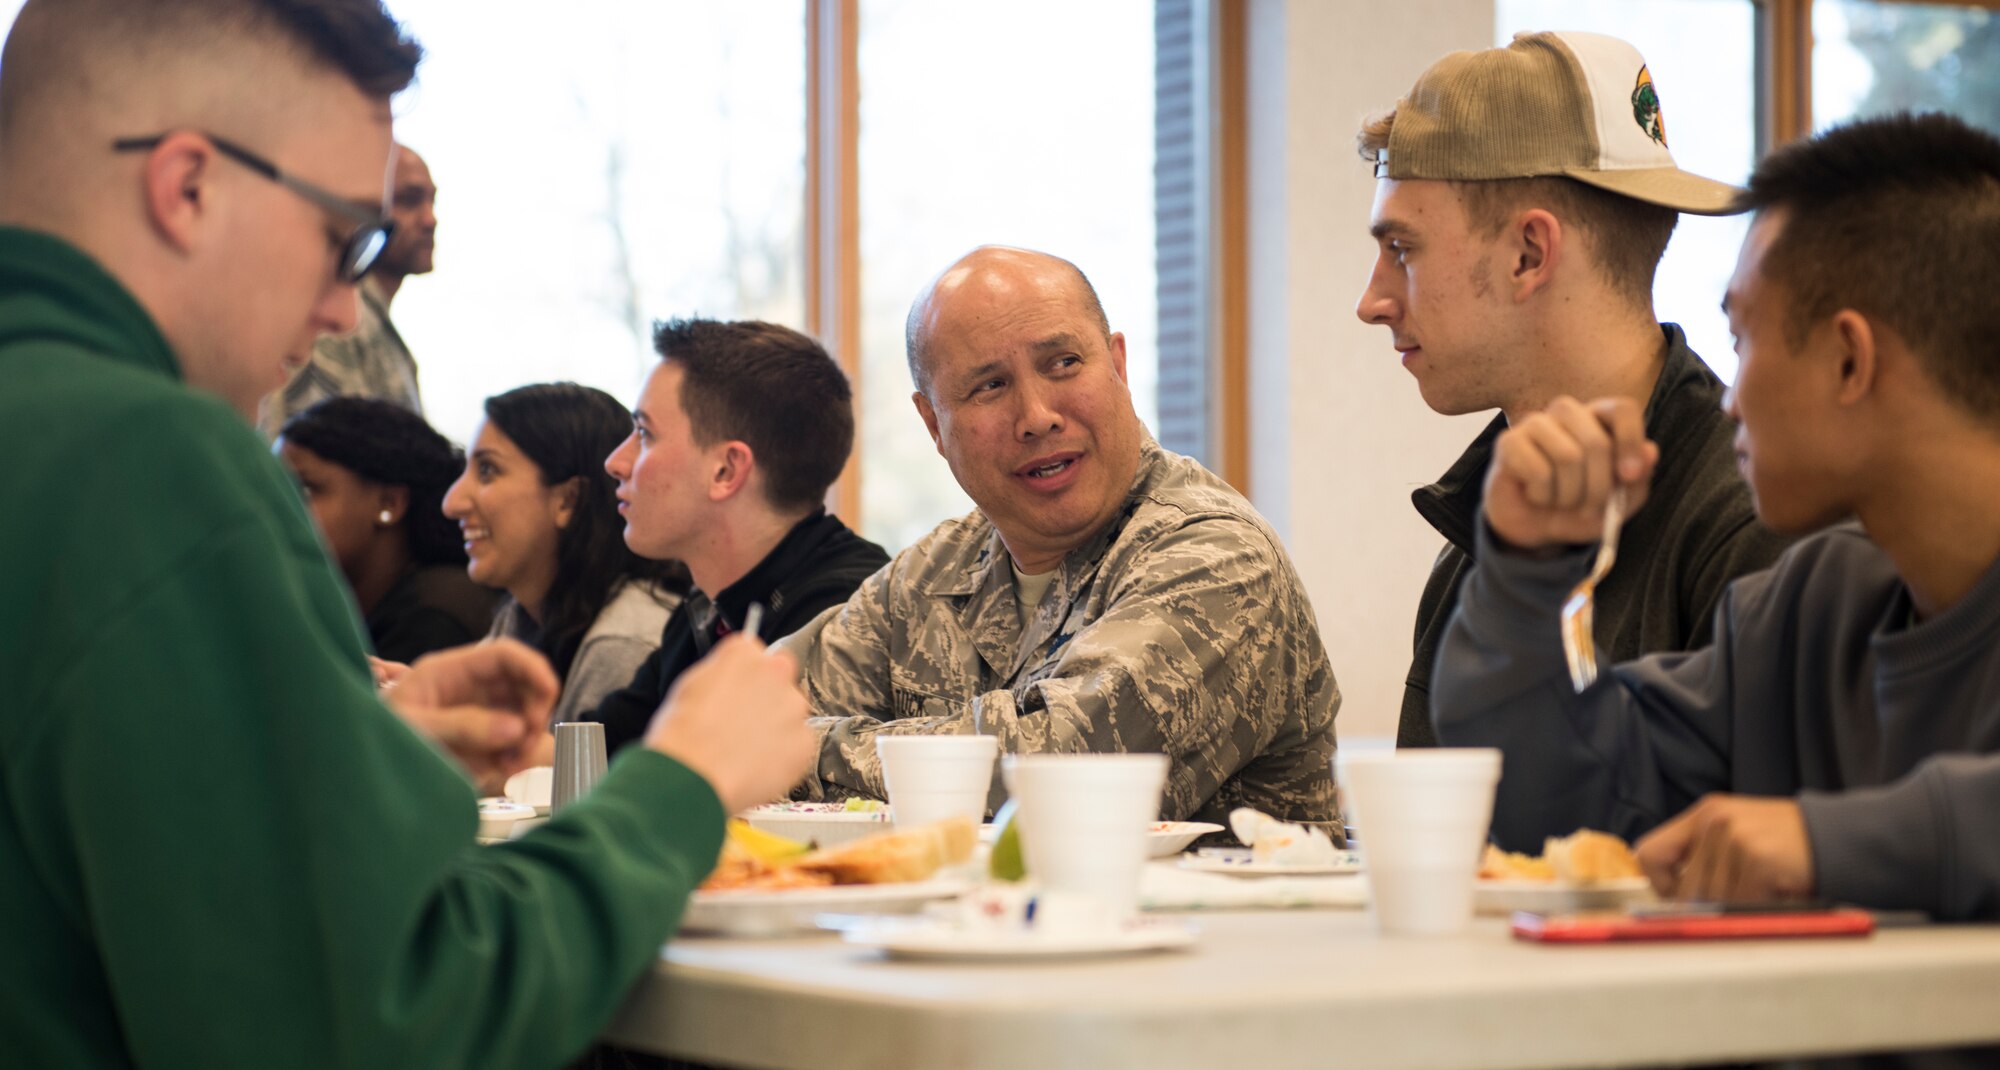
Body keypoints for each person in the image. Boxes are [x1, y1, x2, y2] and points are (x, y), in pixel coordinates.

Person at [0, 2, 813, 1066]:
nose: (344, 308)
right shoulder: (156, 461)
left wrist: (348, 750)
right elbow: (373, 1028)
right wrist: (686, 785)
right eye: (348, 238)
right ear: (188, 185)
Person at [1430, 112, 2000, 938]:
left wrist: (1824, 840)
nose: (1729, 398)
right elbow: (1556, 804)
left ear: (1849, 359)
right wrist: (1523, 570)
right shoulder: (1809, 608)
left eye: (1742, 337)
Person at [786, 246, 1341, 831]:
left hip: (1212, 920)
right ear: (934, 426)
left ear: (1118, 368)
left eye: (1063, 363)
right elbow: (761, 723)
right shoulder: (929, 576)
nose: (1037, 415)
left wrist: (805, 753)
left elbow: (1055, 774)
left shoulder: (1217, 558)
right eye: (990, 386)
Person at [1353, 31, 1793, 747]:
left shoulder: (1750, 531)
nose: (1371, 302)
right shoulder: (1476, 541)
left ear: (1530, 253)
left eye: (1401, 250)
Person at [595, 317, 889, 756]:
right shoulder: (704, 611)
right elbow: (603, 746)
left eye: (644, 434)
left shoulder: (847, 616)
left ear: (726, 471)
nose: (616, 463)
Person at [446, 382, 689, 735]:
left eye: (487, 471)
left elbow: (583, 788)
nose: (452, 502)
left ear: (568, 499)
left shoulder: (623, 642)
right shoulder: (523, 613)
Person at [276, 396, 501, 663]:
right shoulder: (376, 600)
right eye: (274, 488)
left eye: (304, 489)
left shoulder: (434, 617)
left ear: (389, 503)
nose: (276, 506)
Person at [255, 142, 435, 437]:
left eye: (432, 200)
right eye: (409, 200)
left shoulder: (373, 319)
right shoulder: (332, 322)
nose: (430, 219)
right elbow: (308, 460)